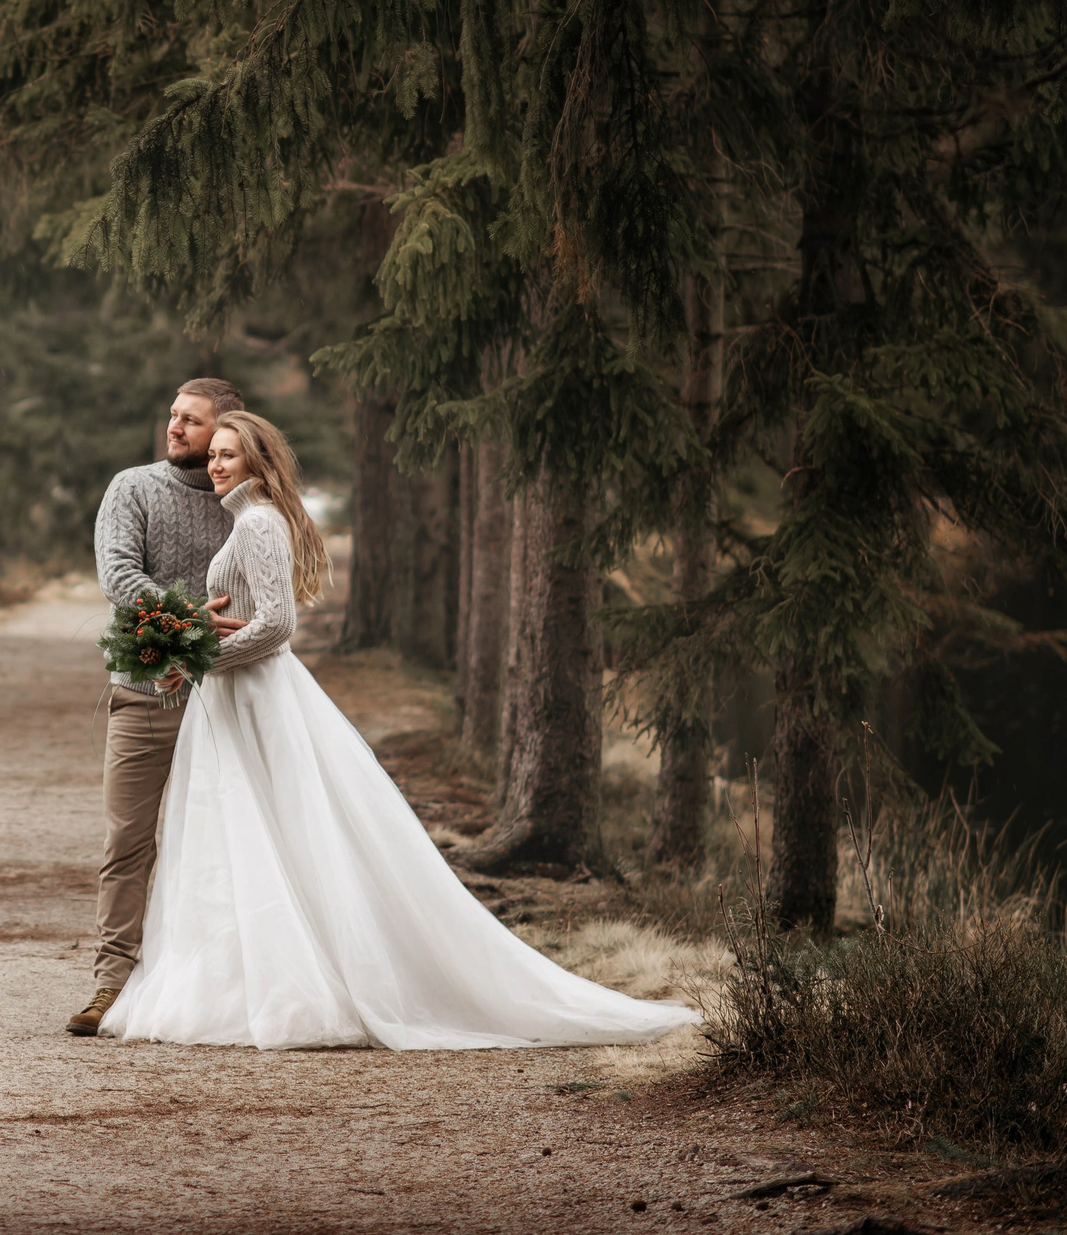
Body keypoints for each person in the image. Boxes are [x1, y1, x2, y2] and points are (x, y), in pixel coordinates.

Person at [99, 410, 700, 1050]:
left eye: (228, 455)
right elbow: (248, 619)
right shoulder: (246, 521)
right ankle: (237, 983)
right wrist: (193, 650)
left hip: (256, 697)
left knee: (279, 832)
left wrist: (198, 659)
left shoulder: (261, 522)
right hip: (233, 697)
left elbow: (277, 628)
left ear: (258, 461)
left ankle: (299, 985)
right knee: (238, 836)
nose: (215, 465)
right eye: (212, 455)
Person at [66, 378, 244, 1037]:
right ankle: (111, 983)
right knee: (128, 841)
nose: (175, 427)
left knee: (223, 846)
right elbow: (117, 575)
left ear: (227, 431)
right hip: (144, 696)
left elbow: (263, 597)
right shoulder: (133, 488)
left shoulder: (244, 503)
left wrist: (204, 653)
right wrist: (187, 621)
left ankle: (215, 987)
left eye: (192, 420)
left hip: (227, 700)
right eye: (173, 415)